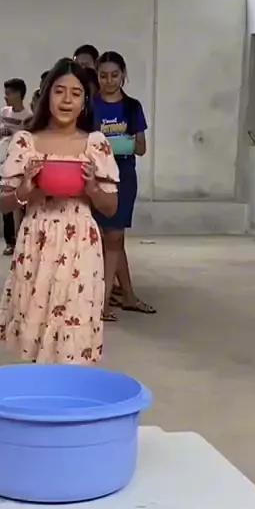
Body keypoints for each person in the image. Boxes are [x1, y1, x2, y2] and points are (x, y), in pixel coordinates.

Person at [0, 58, 119, 364]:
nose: (66, 100)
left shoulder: (96, 144)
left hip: (81, 246)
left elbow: (111, 207)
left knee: (75, 326)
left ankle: (69, 388)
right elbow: (4, 203)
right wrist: (26, 191)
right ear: (47, 95)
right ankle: (38, 388)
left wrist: (92, 189)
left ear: (85, 102)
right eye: (59, 91)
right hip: (36, 241)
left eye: (76, 93)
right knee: (35, 324)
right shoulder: (26, 142)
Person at [93, 51, 156, 319]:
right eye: (103, 76)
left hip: (124, 176)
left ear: (123, 75)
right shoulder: (90, 106)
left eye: (114, 75)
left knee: (115, 237)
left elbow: (141, 148)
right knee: (102, 238)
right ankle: (111, 298)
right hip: (96, 177)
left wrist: (122, 143)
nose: (109, 81)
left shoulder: (132, 107)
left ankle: (107, 300)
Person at [0, 78, 31, 255]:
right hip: (2, 164)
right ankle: (9, 241)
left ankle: (22, 238)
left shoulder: (28, 117)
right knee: (6, 205)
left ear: (18, 94)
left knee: (21, 205)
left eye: (9, 94)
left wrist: (14, 133)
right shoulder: (3, 112)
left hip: (19, 167)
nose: (6, 97)